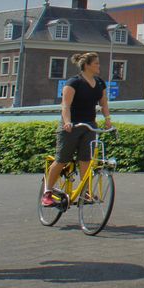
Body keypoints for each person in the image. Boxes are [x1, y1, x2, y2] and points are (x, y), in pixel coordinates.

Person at [42, 52, 112, 207]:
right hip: (72, 125)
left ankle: (85, 191)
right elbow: (65, 105)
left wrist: (108, 120)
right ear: (87, 65)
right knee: (61, 160)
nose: (99, 66)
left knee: (86, 160)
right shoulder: (74, 82)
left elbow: (104, 103)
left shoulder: (100, 83)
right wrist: (67, 122)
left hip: (89, 125)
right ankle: (47, 192)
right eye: (96, 63)